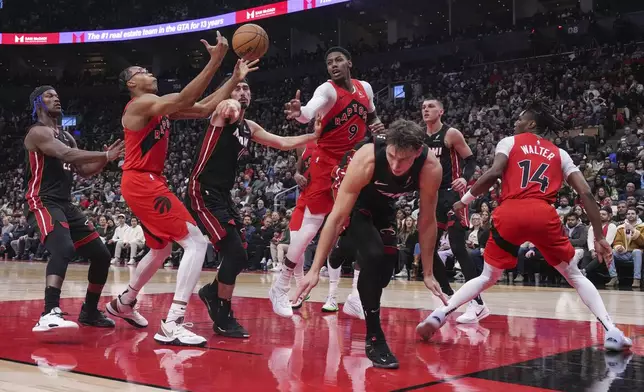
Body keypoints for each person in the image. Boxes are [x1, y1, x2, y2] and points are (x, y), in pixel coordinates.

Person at [416, 101, 632, 351]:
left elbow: (493, 173)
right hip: (543, 213)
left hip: (510, 212)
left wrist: (464, 201)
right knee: (574, 275)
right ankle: (611, 329)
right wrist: (599, 237)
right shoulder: (559, 153)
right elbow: (585, 193)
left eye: (519, 119)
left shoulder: (509, 142)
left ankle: (440, 315)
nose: (515, 122)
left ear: (531, 124)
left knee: (487, 276)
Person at [107, 34, 234, 347]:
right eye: (142, 72)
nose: (150, 74)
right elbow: (182, 99)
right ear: (131, 84)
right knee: (195, 242)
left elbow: (203, 108)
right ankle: (173, 322)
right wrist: (215, 61)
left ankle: (124, 301)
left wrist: (233, 79)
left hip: (147, 181)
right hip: (141, 180)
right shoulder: (141, 104)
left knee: (162, 248)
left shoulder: (156, 107)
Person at [296, 120, 445, 369]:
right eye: (392, 157)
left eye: (404, 160)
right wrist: (314, 270)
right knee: (374, 256)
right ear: (387, 146)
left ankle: (345, 249)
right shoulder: (368, 157)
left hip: (384, 205)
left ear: (418, 153)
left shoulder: (430, 167)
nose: (396, 165)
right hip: (355, 202)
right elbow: (336, 216)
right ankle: (374, 338)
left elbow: (428, 220)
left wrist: (428, 273)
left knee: (386, 269)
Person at [193, 72, 321, 338]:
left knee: (240, 252)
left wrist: (314, 136)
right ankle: (222, 313)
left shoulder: (247, 126)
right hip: (202, 190)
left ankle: (211, 292)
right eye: (237, 88)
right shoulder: (223, 112)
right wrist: (229, 100)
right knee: (236, 253)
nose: (242, 92)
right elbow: (224, 107)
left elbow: (282, 142)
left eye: (246, 89)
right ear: (228, 93)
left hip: (223, 195)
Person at [270, 46, 385, 318]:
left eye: (338, 60)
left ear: (349, 62)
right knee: (311, 227)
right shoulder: (328, 90)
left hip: (350, 161)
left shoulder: (365, 88)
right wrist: (299, 112)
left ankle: (356, 296)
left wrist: (377, 126)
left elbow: (372, 115)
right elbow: (309, 112)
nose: (333, 65)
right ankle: (280, 285)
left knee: (361, 221)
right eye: (329, 62)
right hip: (324, 161)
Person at [25, 85, 123, 334]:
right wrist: (104, 153)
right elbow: (66, 155)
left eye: (58, 95)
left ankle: (89, 311)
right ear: (37, 103)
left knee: (101, 255)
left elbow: (83, 171)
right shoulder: (38, 132)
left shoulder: (67, 135)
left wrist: (105, 160)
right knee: (64, 247)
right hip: (43, 200)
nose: (56, 98)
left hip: (65, 203)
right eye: (49, 95)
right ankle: (49, 312)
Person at [422, 99, 488, 323]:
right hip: (432, 196)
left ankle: (477, 303)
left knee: (459, 247)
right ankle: (451, 296)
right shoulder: (421, 138)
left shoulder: (451, 134)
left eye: (430, 106)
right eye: (423, 107)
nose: (425, 109)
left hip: (452, 194)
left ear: (441, 111)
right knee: (427, 250)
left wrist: (464, 178)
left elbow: (471, 160)